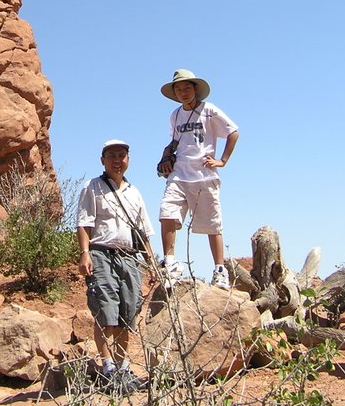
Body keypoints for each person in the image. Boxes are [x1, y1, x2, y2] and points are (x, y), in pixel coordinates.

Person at [77, 139, 154, 394]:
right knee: (106, 311)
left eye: (122, 155)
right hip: (101, 254)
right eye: (111, 155)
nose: (117, 160)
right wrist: (85, 254)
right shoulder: (93, 187)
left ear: (128, 160)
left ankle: (122, 366)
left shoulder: (135, 192)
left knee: (127, 314)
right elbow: (84, 223)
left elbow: (143, 232)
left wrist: (151, 262)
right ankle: (107, 365)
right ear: (102, 160)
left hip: (130, 257)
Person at [156, 69, 239, 288]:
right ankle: (171, 263)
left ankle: (219, 269)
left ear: (195, 89)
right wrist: (165, 157)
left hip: (204, 173)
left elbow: (233, 131)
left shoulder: (209, 110)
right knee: (167, 213)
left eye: (187, 88)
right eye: (179, 89)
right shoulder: (175, 115)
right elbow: (175, 142)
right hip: (179, 173)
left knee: (212, 223)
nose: (183, 92)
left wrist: (222, 160)